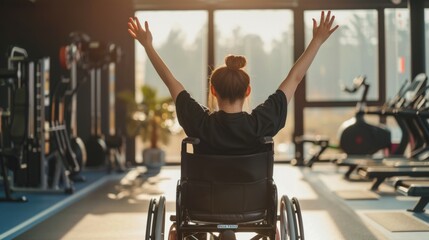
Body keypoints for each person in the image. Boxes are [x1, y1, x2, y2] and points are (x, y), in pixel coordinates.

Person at [128, 11, 339, 155]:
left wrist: (147, 46)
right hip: (252, 205)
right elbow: (295, 77)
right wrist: (317, 40)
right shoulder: (260, 123)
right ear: (248, 91)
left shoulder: (200, 122)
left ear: (213, 89)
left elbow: (169, 81)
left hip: (205, 204)